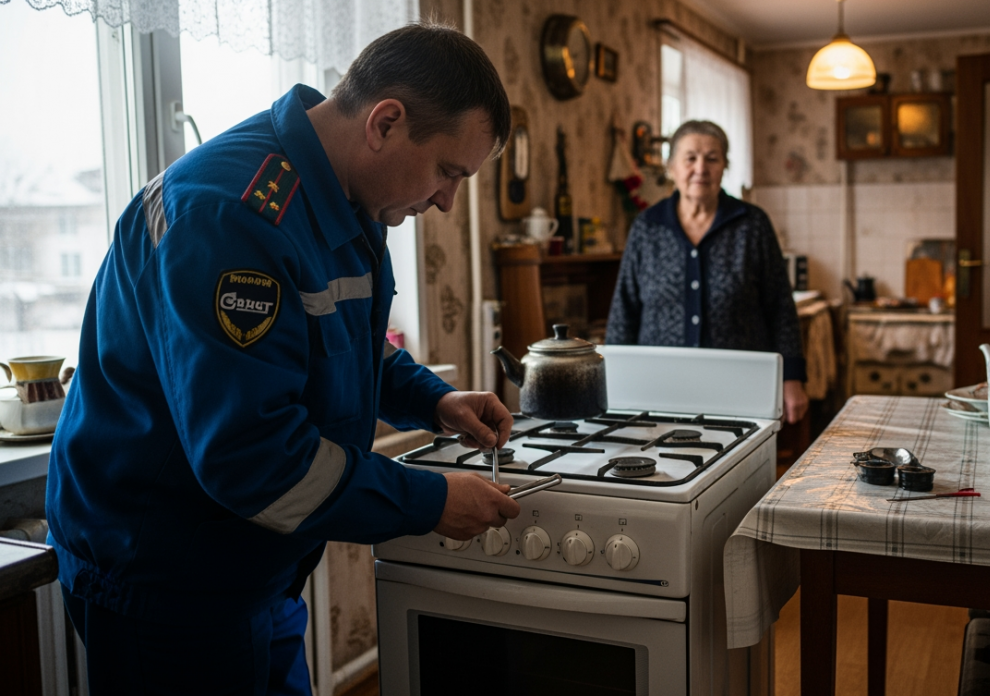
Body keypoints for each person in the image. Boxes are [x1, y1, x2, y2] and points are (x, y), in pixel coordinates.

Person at [45, 22, 520, 695]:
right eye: (449, 172)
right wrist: (429, 499)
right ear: (385, 122)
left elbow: (345, 346)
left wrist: (431, 399)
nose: (447, 200)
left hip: (254, 567)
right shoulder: (230, 219)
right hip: (165, 577)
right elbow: (253, 459)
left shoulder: (349, 200)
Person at [606, 120, 809, 424]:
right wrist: (612, 381)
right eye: (690, 158)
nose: (701, 168)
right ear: (671, 166)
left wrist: (791, 378)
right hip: (659, 390)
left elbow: (780, 306)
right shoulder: (647, 227)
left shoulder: (752, 224)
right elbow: (624, 311)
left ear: (724, 166)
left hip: (741, 388)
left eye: (712, 159)